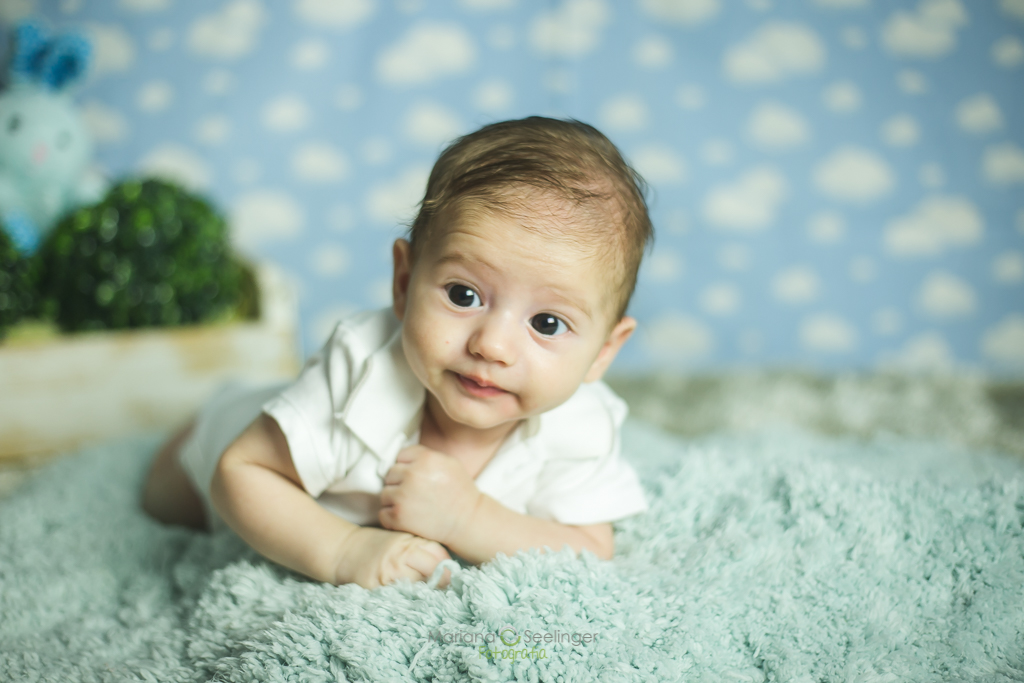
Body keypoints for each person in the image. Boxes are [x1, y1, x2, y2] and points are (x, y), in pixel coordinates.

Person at [141, 116, 654, 590]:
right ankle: (195, 425)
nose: (492, 345)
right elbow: (240, 470)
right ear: (404, 281)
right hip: (225, 443)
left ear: (603, 351)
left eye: (547, 323)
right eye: (463, 295)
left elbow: (589, 549)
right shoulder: (360, 369)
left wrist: (469, 518)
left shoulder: (583, 426)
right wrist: (345, 549)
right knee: (160, 500)